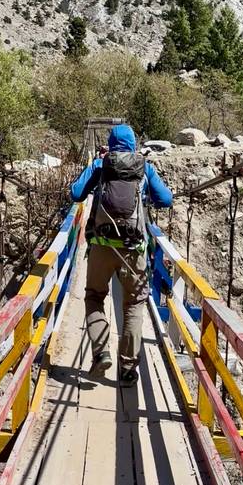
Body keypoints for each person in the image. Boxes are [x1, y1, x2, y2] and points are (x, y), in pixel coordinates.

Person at [70, 124, 172, 387]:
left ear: (110, 143)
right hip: (134, 249)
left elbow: (75, 193)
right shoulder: (144, 167)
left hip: (102, 246)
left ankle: (101, 351)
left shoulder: (101, 165)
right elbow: (166, 199)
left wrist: (95, 167)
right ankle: (128, 369)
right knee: (134, 304)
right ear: (133, 144)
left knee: (94, 297)